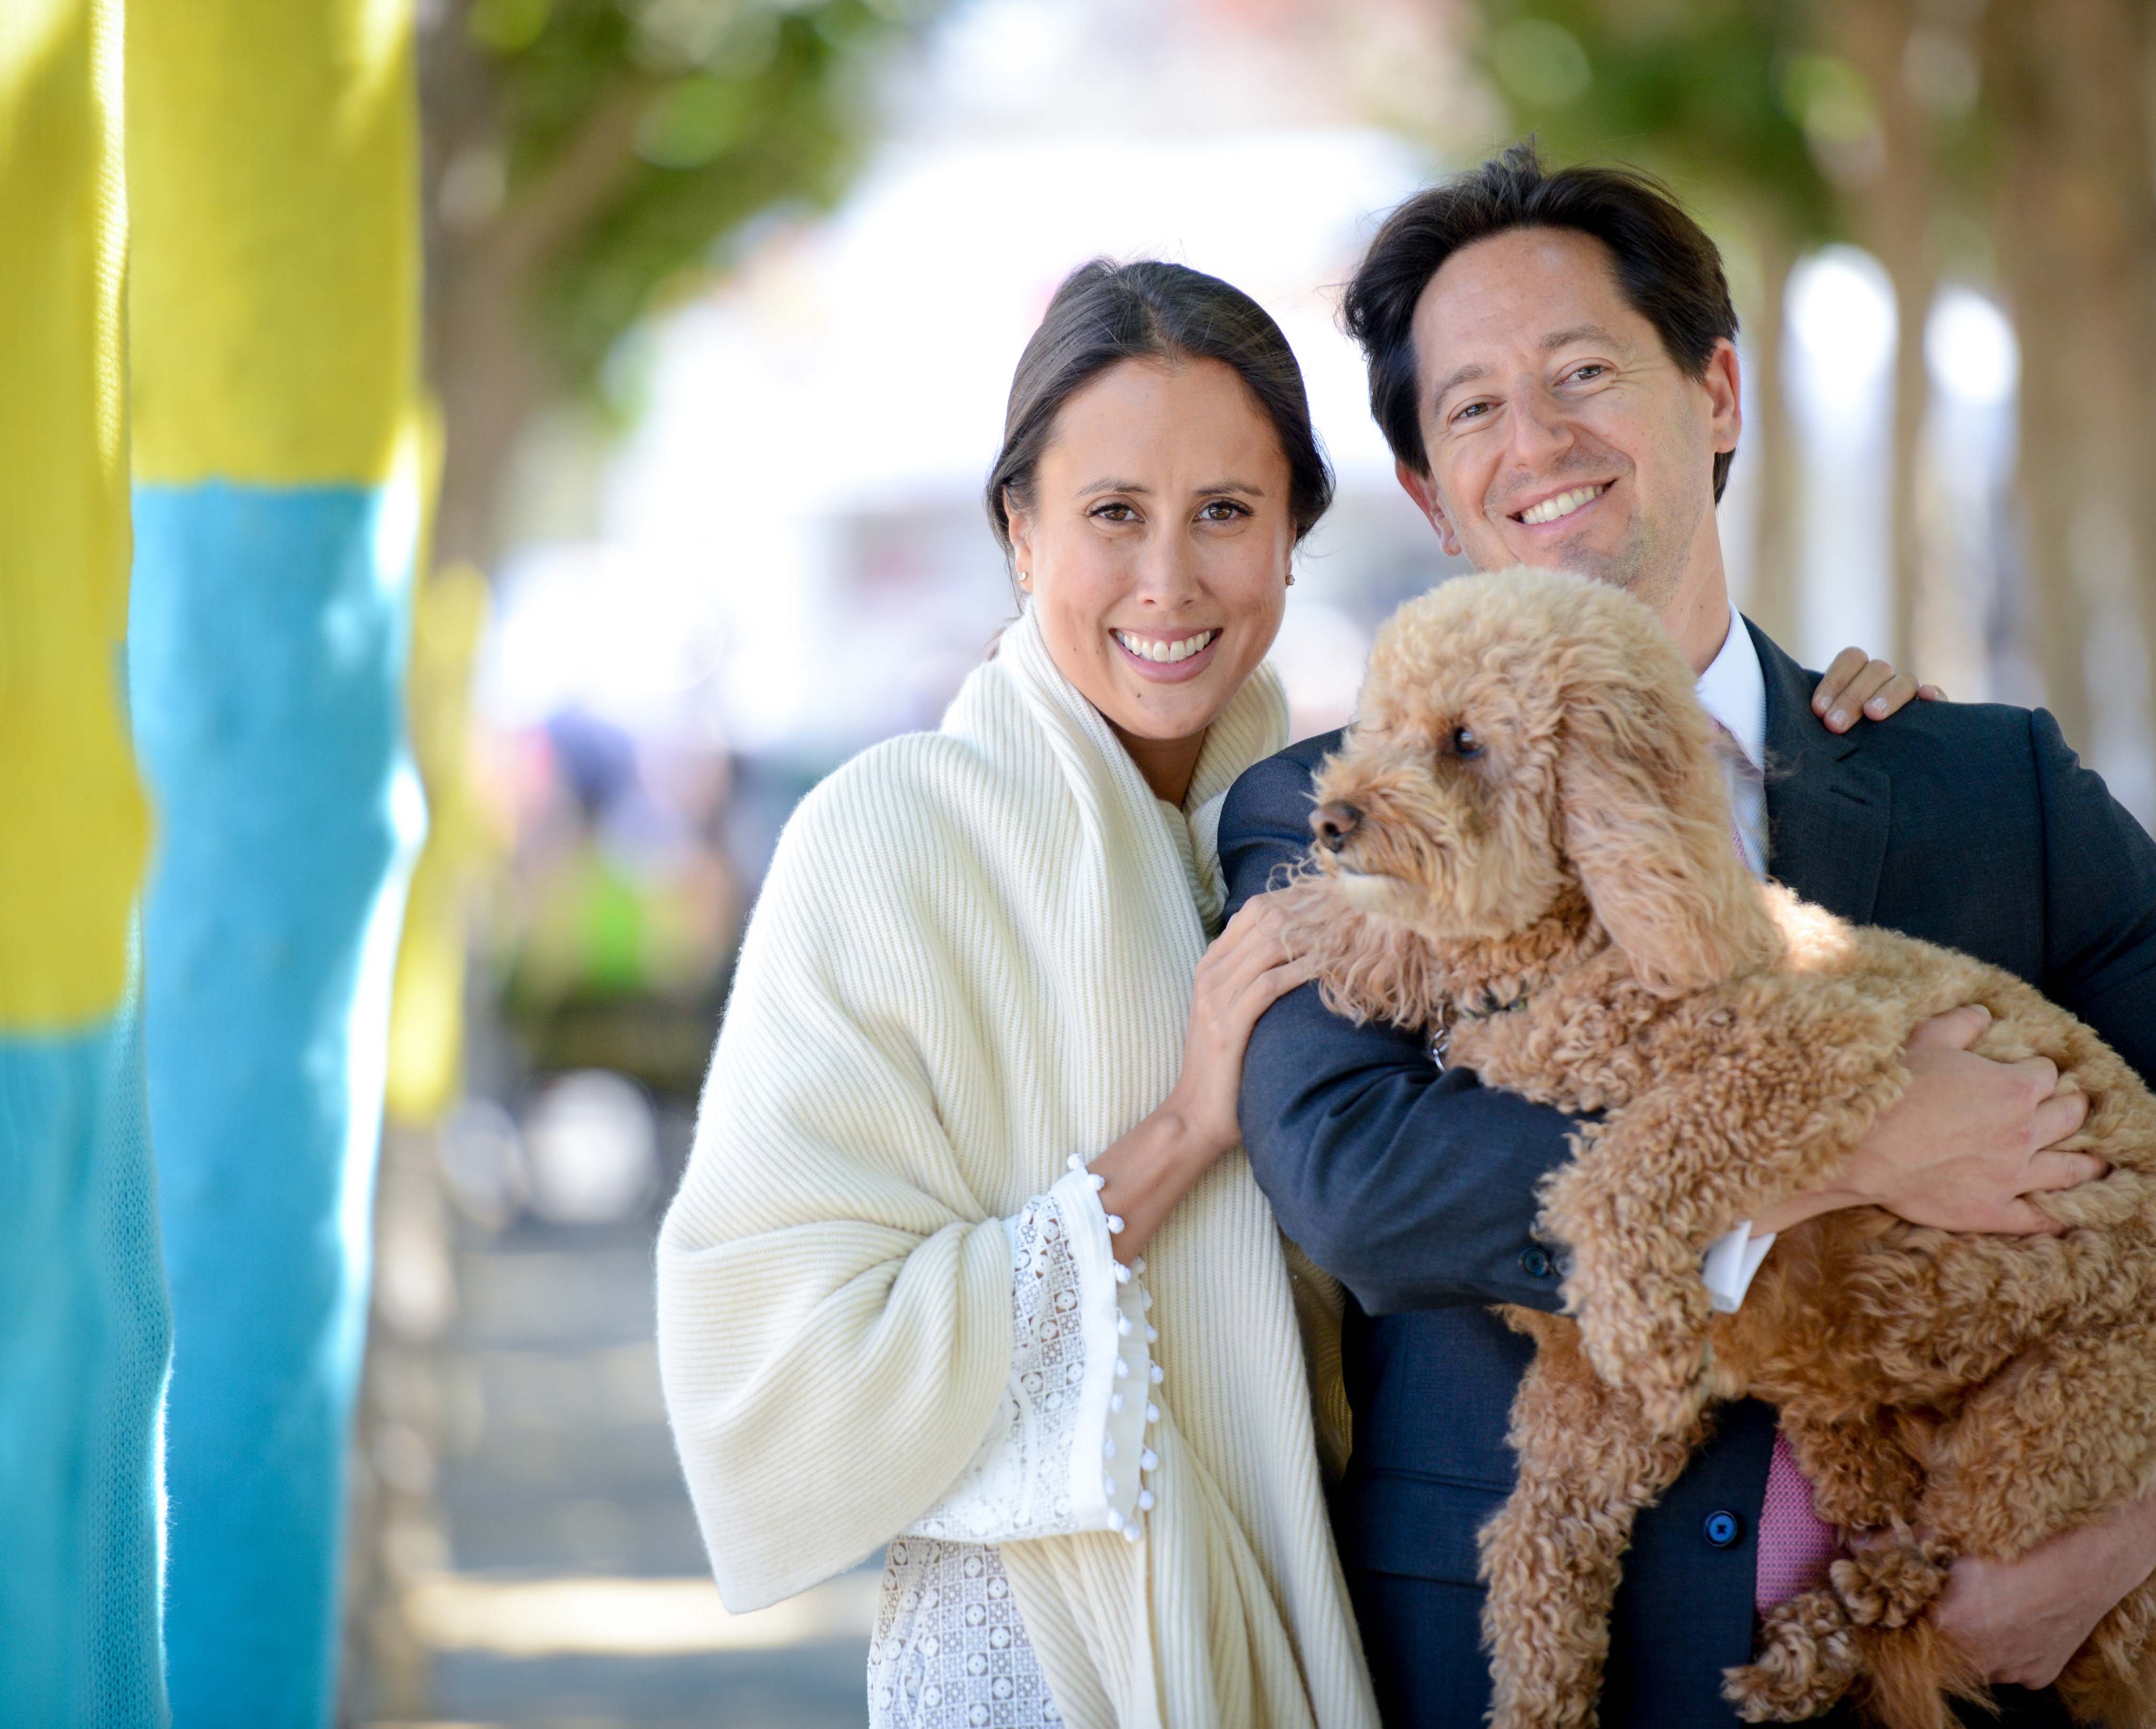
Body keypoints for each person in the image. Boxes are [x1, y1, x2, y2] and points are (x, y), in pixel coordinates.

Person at [1219, 144, 2156, 1729]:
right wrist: (1857, 1151)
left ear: (1718, 393)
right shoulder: (1321, 814)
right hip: (1540, 1674)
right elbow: (1365, 1184)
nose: (1537, 440)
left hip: (1978, 1676)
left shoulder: (1983, 782)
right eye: (1471, 409)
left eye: (1585, 371)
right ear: (1428, 497)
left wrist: (2138, 1526)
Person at [657, 255, 1926, 1729]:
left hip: (1352, 1638)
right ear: (1019, 530)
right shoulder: (894, 839)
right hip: (1050, 1658)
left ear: (1293, 540)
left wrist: (1820, 729)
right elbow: (786, 1370)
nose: (1169, 582)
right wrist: (1189, 1129)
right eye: (1112, 515)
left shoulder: (1358, 818)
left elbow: (1616, 1025)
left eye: (1225, 515)